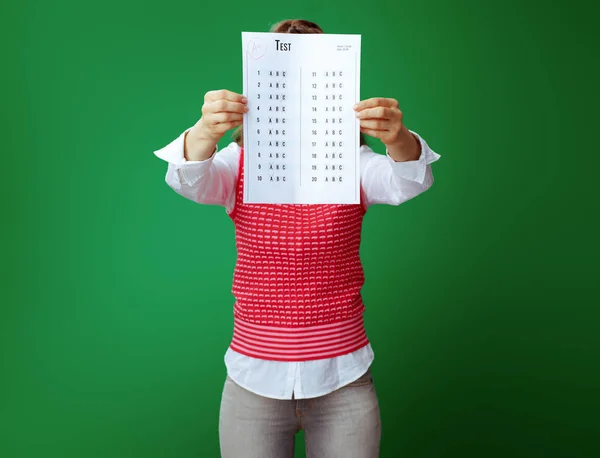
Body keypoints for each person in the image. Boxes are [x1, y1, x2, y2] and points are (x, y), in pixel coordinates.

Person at [153, 18, 440, 458]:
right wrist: (204, 132)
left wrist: (399, 138)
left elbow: (410, 180)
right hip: (253, 386)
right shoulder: (236, 166)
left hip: (343, 383)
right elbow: (190, 180)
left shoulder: (355, 167)